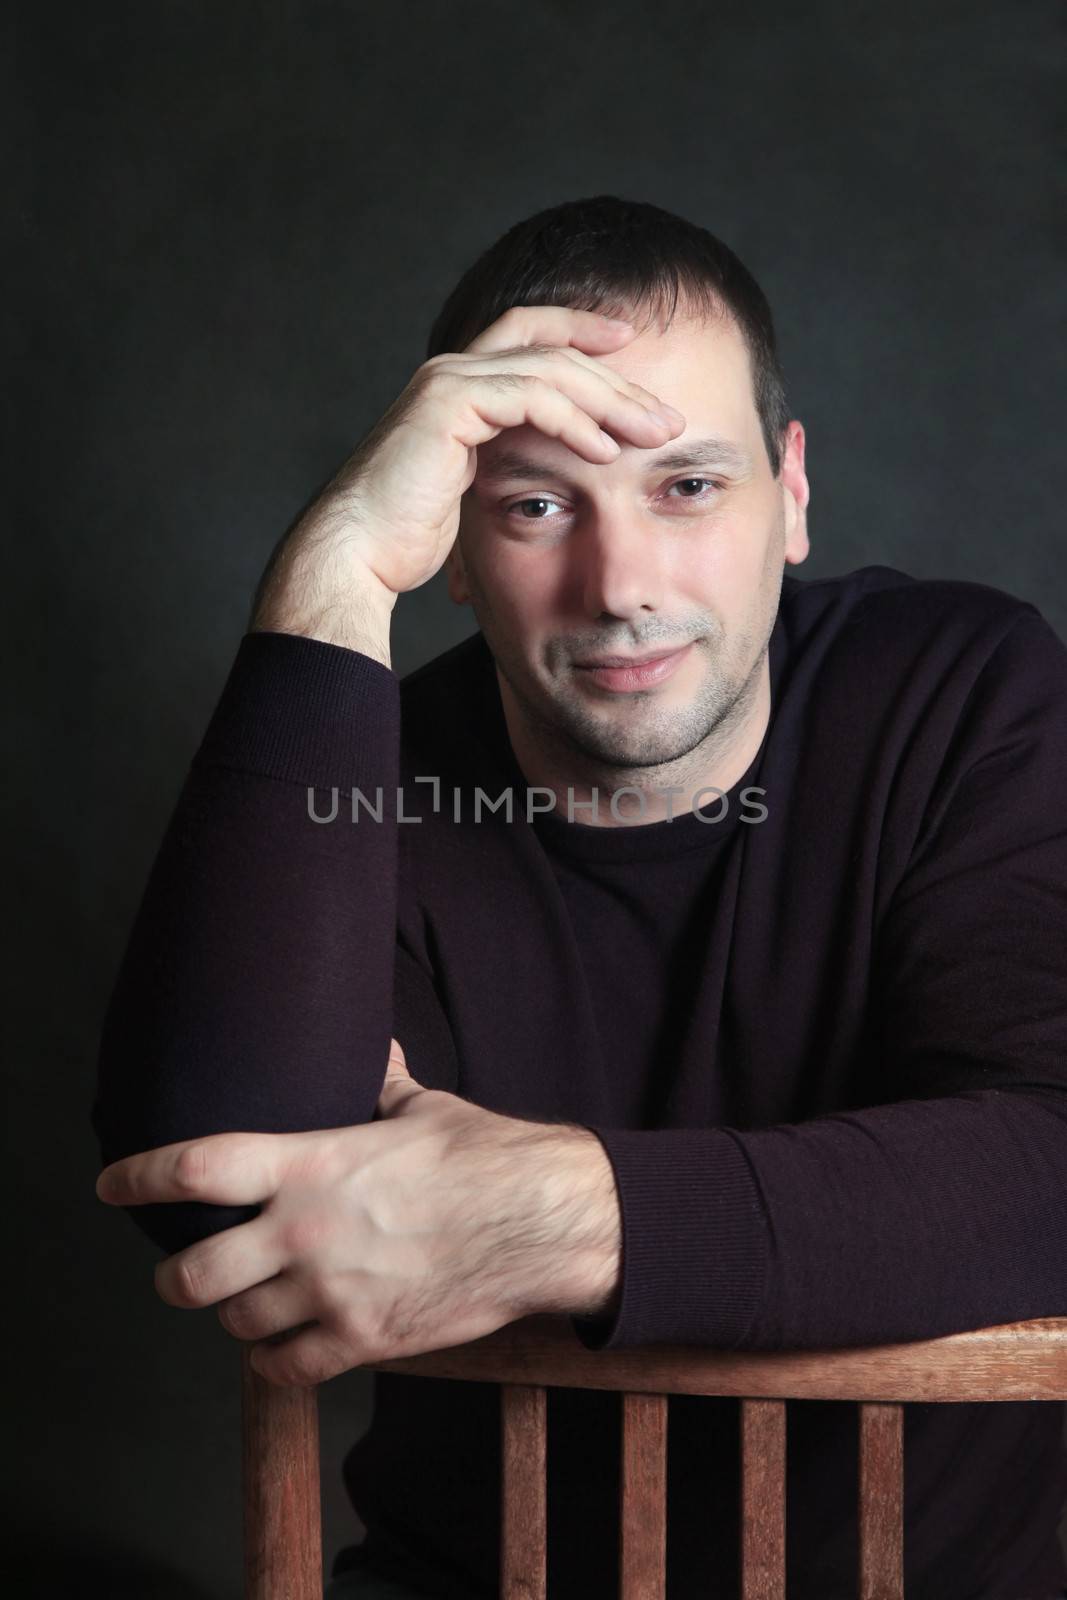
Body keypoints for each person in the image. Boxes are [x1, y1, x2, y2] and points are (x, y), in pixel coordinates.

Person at [91, 196, 1067, 1600]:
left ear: (791, 495)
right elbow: (207, 1192)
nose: (621, 587)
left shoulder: (961, 695)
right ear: (457, 544)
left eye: (688, 486)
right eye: (536, 505)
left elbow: (1050, 1163)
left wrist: (562, 1212)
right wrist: (334, 569)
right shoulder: (374, 771)